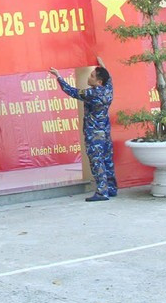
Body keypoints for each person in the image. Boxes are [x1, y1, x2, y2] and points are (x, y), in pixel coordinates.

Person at [49, 58, 117, 202]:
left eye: (92, 76)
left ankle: (101, 192)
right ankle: (111, 188)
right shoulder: (108, 89)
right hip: (105, 132)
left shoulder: (92, 94)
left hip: (94, 135)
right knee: (107, 160)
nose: (89, 77)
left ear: (99, 82)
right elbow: (109, 78)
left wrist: (59, 77)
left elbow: (72, 91)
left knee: (96, 162)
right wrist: (103, 65)